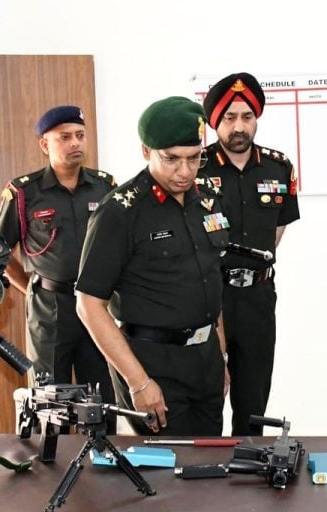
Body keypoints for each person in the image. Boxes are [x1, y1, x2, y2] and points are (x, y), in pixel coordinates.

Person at [75, 96, 229, 436]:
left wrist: (220, 357)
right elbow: (88, 304)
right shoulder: (120, 211)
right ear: (147, 152)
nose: (185, 171)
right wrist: (138, 382)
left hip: (205, 363)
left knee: (212, 473)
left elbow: (209, 279)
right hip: (152, 364)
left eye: (194, 158)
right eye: (171, 159)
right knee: (168, 477)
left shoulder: (206, 199)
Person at [0, 105, 117, 432]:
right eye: (65, 137)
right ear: (45, 144)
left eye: (80, 135)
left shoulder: (104, 187)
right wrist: (32, 286)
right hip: (49, 309)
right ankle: (53, 472)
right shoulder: (24, 192)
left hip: (96, 305)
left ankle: (103, 469)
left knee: (102, 399)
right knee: (50, 401)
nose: (75, 143)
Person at [201, 73, 300, 436]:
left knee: (253, 399)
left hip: (258, 297)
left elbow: (277, 228)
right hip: (210, 297)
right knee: (208, 393)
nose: (239, 127)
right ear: (215, 122)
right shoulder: (195, 168)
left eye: (247, 117)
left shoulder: (278, 166)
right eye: (229, 118)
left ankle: (248, 473)